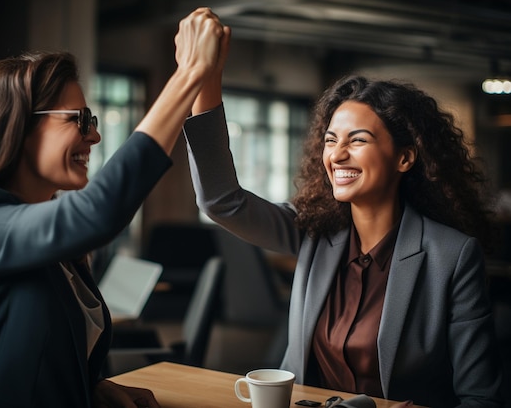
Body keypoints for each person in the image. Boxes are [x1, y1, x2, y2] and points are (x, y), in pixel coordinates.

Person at [0, 7, 229, 408]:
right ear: (18, 126)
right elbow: (99, 212)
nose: (95, 135)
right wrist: (187, 74)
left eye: (93, 119)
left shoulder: (43, 234)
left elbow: (33, 352)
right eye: (79, 119)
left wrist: (91, 388)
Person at [182, 31, 504, 408]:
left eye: (358, 140)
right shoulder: (312, 232)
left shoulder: (452, 256)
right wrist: (208, 75)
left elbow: (482, 399)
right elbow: (221, 201)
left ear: (405, 158)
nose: (337, 155)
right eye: (331, 140)